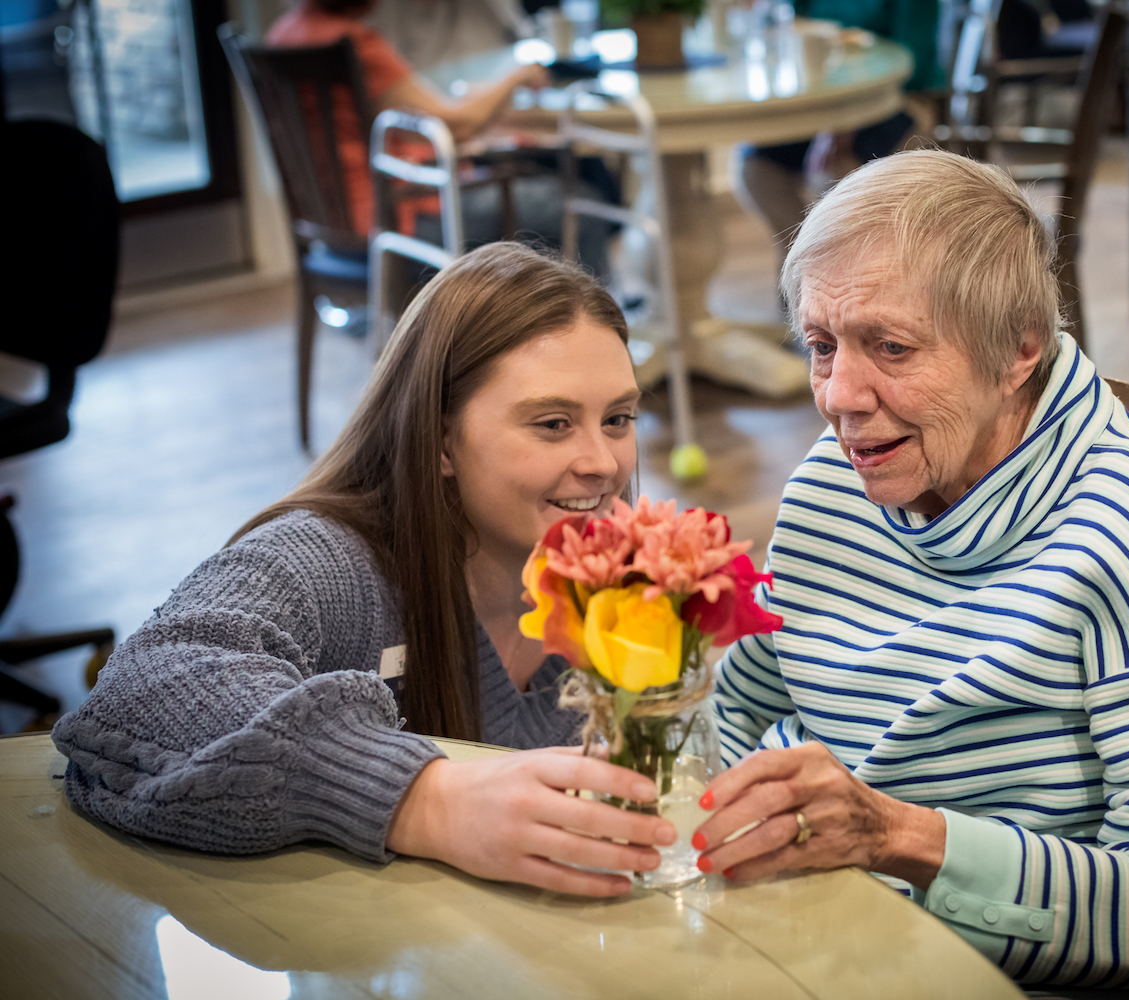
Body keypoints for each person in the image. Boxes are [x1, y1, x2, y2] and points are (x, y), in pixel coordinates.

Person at [695, 150, 1129, 998]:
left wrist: (898, 838)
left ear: (1017, 352)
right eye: (821, 345)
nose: (840, 396)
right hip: (818, 947)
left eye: (890, 346)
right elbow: (742, 712)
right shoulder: (835, 477)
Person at [52, 244, 676, 896]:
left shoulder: (619, 581)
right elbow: (148, 686)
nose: (603, 462)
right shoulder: (331, 562)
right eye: (553, 424)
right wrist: (425, 800)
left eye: (618, 419)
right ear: (439, 441)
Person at [266, 0, 614, 279]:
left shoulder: (283, 33)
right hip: (397, 222)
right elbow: (454, 125)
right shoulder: (356, 44)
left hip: (330, 228)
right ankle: (591, 349)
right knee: (576, 205)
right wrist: (518, 76)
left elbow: (400, 129)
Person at [731, 0, 944, 286]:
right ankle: (806, 272)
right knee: (755, 167)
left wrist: (844, 121)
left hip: (892, 100)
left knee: (832, 174)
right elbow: (781, 22)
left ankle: (850, 282)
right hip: (816, 104)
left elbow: (911, 61)